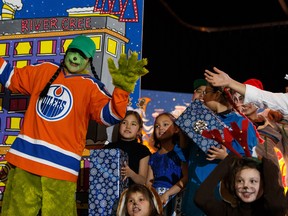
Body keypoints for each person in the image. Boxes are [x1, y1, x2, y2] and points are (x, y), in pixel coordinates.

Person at [0, 35, 149, 216]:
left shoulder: (91, 87)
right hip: (26, 160)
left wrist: (122, 89)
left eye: (82, 55)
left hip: (60, 169)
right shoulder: (44, 70)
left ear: (88, 61)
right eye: (73, 52)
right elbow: (12, 78)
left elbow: (111, 115)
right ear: (67, 52)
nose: (75, 58)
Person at [194, 154, 288, 216]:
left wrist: (268, 166)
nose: (245, 186)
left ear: (265, 184)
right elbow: (201, 198)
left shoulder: (271, 211)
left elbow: (276, 205)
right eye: (240, 181)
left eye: (253, 181)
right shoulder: (227, 212)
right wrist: (228, 161)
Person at [146, 112, 188, 215]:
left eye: (165, 124)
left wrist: (167, 194)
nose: (160, 128)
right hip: (155, 199)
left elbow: (186, 178)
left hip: (174, 197)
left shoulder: (179, 153)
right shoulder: (153, 157)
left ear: (176, 129)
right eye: (157, 126)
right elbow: (148, 183)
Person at [204, 67, 288, 115]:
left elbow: (260, 97)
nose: (242, 104)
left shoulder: (270, 126)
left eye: (244, 98)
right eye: (238, 99)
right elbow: (261, 97)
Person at [105, 110, 151, 186]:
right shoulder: (108, 148)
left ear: (139, 130)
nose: (128, 126)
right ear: (119, 125)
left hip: (133, 194)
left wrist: (131, 173)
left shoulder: (143, 151)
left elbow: (143, 181)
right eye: (124, 122)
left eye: (133, 124)